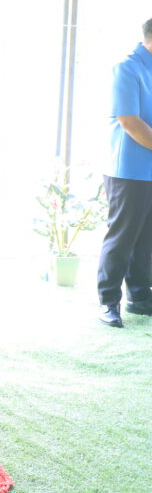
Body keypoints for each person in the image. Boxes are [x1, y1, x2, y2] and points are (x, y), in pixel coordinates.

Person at [96, 18, 152, 328]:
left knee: (146, 237)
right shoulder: (126, 68)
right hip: (128, 170)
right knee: (122, 237)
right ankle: (108, 301)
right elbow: (129, 122)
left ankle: (140, 296)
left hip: (149, 169)